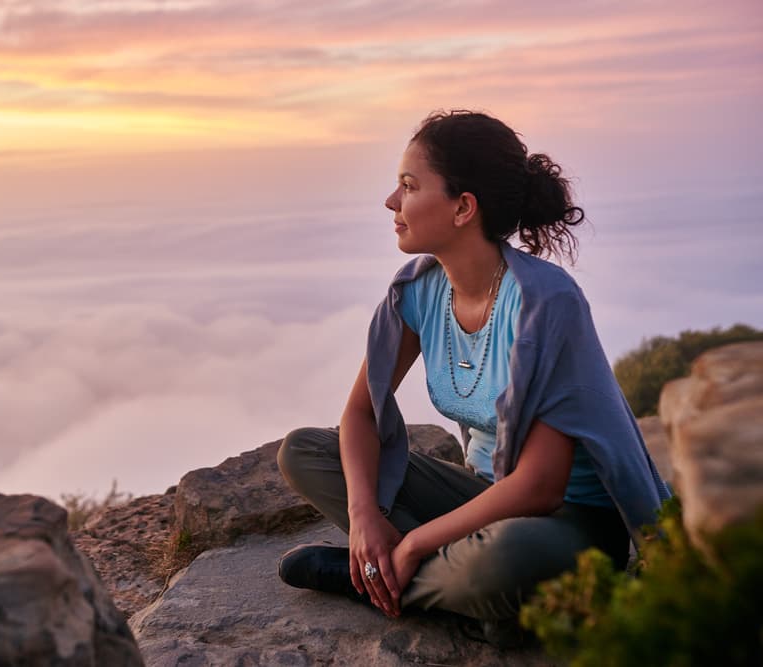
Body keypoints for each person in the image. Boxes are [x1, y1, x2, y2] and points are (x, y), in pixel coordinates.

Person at [276, 110, 670, 646]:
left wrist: (413, 546)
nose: (391, 202)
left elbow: (538, 485)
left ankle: (375, 580)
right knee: (304, 451)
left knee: (504, 561)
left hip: (563, 522)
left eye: (409, 186)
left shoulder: (542, 303)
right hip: (478, 498)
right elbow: (361, 413)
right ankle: (465, 598)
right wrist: (364, 516)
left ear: (463, 207)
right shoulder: (418, 290)